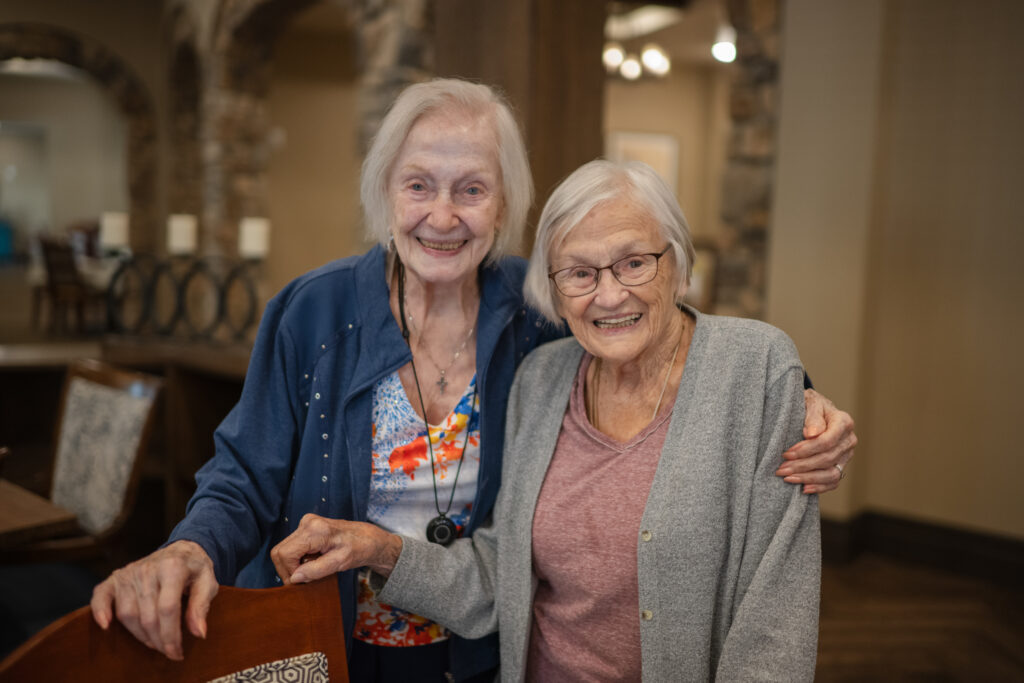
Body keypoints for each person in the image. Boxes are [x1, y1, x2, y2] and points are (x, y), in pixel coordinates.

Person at [91, 80, 850, 681]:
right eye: (419, 185)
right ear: (385, 192)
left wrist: (798, 395)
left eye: (472, 189)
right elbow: (242, 474)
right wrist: (189, 549)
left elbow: (649, 314)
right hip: (325, 642)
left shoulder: (537, 314)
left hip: (477, 651)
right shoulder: (313, 308)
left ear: (505, 204)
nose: (443, 216)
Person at [274, 159, 822, 681]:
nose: (609, 295)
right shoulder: (542, 379)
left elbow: (775, 621)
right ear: (556, 294)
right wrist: (377, 547)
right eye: (579, 273)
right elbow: (498, 575)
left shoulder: (757, 368)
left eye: (634, 262)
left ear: (677, 264)